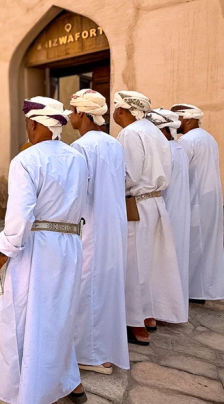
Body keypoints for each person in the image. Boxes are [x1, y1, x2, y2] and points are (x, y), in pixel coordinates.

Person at [0, 97, 89, 404]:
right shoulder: (77, 157)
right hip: (70, 245)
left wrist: (3, 251)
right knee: (60, 316)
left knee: (30, 318)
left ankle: (35, 391)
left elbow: (20, 217)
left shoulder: (26, 160)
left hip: (38, 249)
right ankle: (69, 382)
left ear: (34, 124)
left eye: (27, 124)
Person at [113, 91, 186, 346]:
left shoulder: (130, 133)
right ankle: (148, 316)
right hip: (155, 202)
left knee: (133, 263)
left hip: (137, 204)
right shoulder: (154, 131)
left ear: (122, 110)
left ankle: (134, 323)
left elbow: (129, 175)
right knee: (150, 262)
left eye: (116, 107)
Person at [68, 89, 129, 375]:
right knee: (106, 286)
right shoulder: (113, 143)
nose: (69, 117)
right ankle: (105, 349)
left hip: (90, 226)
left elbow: (77, 193)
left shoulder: (81, 147)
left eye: (72, 111)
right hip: (113, 225)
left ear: (82, 114)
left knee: (87, 288)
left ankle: (91, 355)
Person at [172, 103, 224, 303]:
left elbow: (178, 170)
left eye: (177, 118)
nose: (174, 122)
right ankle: (200, 291)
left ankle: (191, 291)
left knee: (192, 245)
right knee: (205, 247)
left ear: (187, 119)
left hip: (195, 198)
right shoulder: (208, 137)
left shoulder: (187, 140)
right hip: (208, 199)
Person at [148, 109, 190, 313]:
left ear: (165, 130)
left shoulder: (168, 150)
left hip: (167, 210)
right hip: (175, 210)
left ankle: (161, 309)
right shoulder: (178, 149)